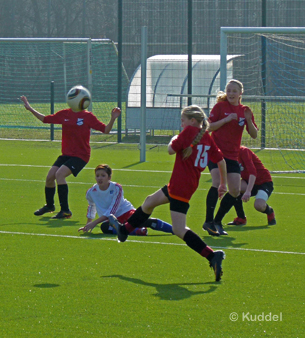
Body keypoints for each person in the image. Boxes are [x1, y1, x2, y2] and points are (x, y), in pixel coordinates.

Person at [108, 105, 228, 282]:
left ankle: (212, 256)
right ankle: (124, 230)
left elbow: (171, 150)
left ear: (192, 121)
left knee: (179, 229)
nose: (182, 123)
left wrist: (174, 138)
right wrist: (223, 183)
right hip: (182, 184)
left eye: (183, 120)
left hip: (181, 186)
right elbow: (221, 160)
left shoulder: (189, 132)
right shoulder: (207, 138)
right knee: (149, 202)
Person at [20, 87, 121, 219]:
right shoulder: (64, 114)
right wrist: (30, 108)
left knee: (59, 174)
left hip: (81, 156)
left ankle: (65, 210)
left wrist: (113, 118)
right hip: (66, 155)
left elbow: (106, 130)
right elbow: (45, 119)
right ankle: (50, 205)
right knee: (50, 177)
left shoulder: (88, 116)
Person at [203, 79, 258, 236]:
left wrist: (248, 119)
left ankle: (217, 221)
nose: (231, 94)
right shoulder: (220, 107)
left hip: (233, 155)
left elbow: (254, 135)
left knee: (234, 191)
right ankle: (208, 221)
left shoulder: (245, 110)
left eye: (234, 91)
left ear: (241, 93)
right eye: (229, 90)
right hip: (216, 152)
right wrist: (226, 119)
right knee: (216, 183)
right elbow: (209, 127)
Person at [78, 164, 174, 236]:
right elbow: (91, 206)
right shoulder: (91, 192)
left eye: (103, 175)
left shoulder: (116, 188)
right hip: (110, 220)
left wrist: (94, 223)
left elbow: (112, 210)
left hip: (126, 212)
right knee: (104, 227)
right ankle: (138, 231)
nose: (100, 178)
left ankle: (174, 230)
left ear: (109, 177)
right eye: (97, 175)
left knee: (141, 221)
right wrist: (88, 224)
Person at [227, 146, 276, 226]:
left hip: (263, 181)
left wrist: (248, 191)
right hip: (247, 180)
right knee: (235, 189)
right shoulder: (227, 154)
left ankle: (270, 211)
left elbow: (253, 173)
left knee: (259, 206)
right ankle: (241, 218)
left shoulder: (244, 151)